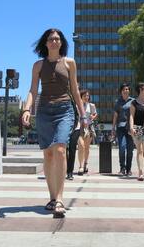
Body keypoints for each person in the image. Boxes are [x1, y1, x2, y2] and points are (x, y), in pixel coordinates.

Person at [21, 28, 86, 217]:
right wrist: (27, 109)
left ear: (62, 42)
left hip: (64, 109)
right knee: (48, 155)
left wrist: (83, 115)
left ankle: (59, 199)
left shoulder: (69, 63)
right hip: (44, 111)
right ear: (45, 43)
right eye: (51, 39)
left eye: (57, 39)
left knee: (59, 149)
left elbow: (75, 91)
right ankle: (51, 197)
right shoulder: (38, 65)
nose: (54, 41)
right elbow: (33, 90)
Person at [112, 83, 134, 176]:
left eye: (127, 89)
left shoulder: (133, 101)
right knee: (122, 147)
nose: (126, 91)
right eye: (124, 89)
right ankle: (122, 168)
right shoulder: (118, 102)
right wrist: (113, 128)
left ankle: (129, 169)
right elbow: (115, 115)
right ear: (121, 91)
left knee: (130, 149)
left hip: (130, 128)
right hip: (121, 127)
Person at [77, 89, 97, 175]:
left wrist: (93, 117)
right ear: (81, 97)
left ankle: (85, 164)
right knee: (81, 145)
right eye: (84, 96)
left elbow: (95, 114)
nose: (86, 97)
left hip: (88, 127)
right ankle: (81, 166)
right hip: (79, 127)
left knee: (86, 147)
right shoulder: (77, 105)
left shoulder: (91, 105)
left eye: (88, 96)